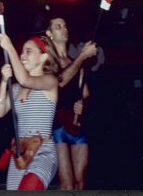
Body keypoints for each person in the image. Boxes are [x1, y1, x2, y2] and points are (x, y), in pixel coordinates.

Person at [0, 33, 60, 190]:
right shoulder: (16, 88)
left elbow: (25, 79)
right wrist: (4, 82)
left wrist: (9, 47)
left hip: (43, 151)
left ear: (43, 57)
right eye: (21, 51)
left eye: (28, 52)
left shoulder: (50, 81)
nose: (22, 56)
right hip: (21, 152)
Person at [44, 17, 97, 190]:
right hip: (57, 127)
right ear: (49, 34)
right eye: (58, 26)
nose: (64, 28)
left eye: (65, 25)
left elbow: (86, 95)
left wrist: (84, 105)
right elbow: (59, 81)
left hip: (76, 126)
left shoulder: (76, 63)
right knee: (67, 184)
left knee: (80, 182)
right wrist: (82, 56)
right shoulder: (47, 62)